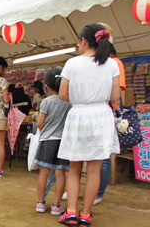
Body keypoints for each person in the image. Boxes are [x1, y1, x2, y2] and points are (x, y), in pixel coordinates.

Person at [58, 23, 121, 226]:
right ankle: (86, 214)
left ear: (84, 41)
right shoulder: (111, 64)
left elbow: (62, 94)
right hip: (102, 116)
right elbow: (114, 96)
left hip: (79, 116)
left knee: (74, 169)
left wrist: (80, 97)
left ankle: (71, 212)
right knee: (94, 169)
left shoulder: (72, 64)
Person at [35, 67, 71, 215]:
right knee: (60, 174)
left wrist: (45, 133)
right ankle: (57, 206)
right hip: (63, 141)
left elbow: (39, 123)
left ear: (47, 87)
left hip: (47, 140)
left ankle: (40, 203)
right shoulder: (69, 101)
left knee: (44, 173)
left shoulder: (46, 102)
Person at [12, 82, 32, 155]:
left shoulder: (13, 98)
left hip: (14, 120)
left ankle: (14, 150)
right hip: (24, 120)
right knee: (23, 135)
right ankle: (20, 150)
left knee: (15, 134)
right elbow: (30, 107)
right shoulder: (26, 97)